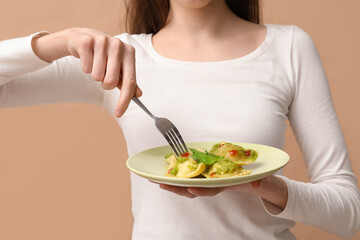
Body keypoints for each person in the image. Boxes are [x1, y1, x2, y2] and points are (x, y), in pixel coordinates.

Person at [0, 0, 359, 239]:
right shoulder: (118, 58)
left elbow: (349, 213)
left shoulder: (290, 47)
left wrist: (261, 184)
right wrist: (59, 41)